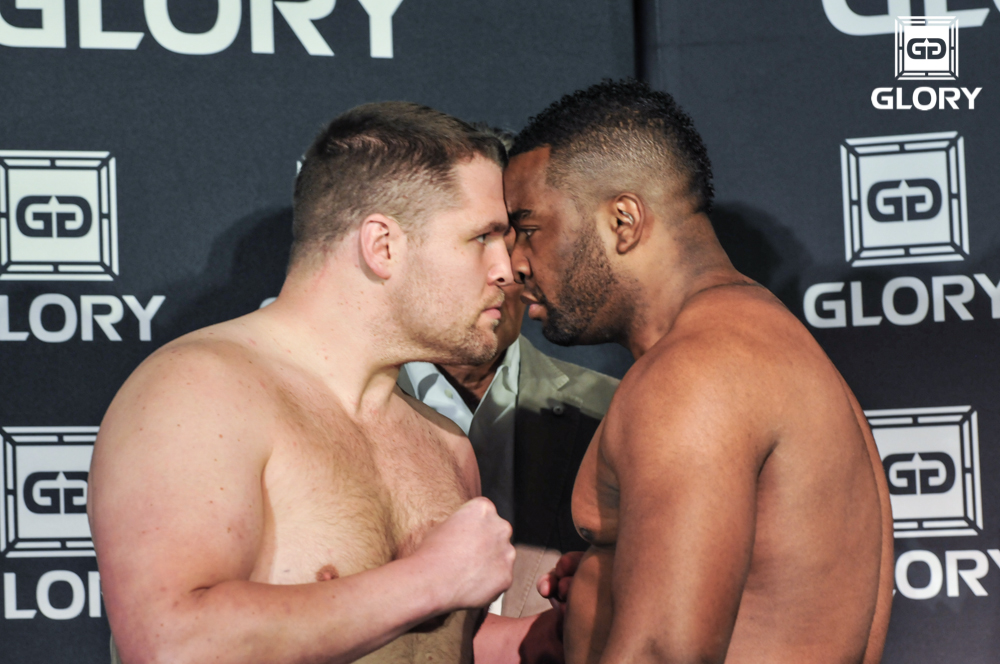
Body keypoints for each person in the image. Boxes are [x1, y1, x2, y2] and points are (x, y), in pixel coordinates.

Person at [89, 102, 518, 664]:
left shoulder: (445, 442)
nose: (507, 269)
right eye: (482, 237)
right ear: (382, 246)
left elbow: (422, 643)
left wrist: (551, 635)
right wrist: (429, 580)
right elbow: (173, 643)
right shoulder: (199, 391)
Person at [502, 79, 894, 664]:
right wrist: (607, 585)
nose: (514, 262)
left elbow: (662, 653)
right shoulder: (767, 344)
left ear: (623, 220)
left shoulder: (695, 373)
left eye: (529, 229)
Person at [399, 216, 618, 661]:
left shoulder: (614, 412)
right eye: (480, 238)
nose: (506, 268)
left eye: (515, 237)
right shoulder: (331, 409)